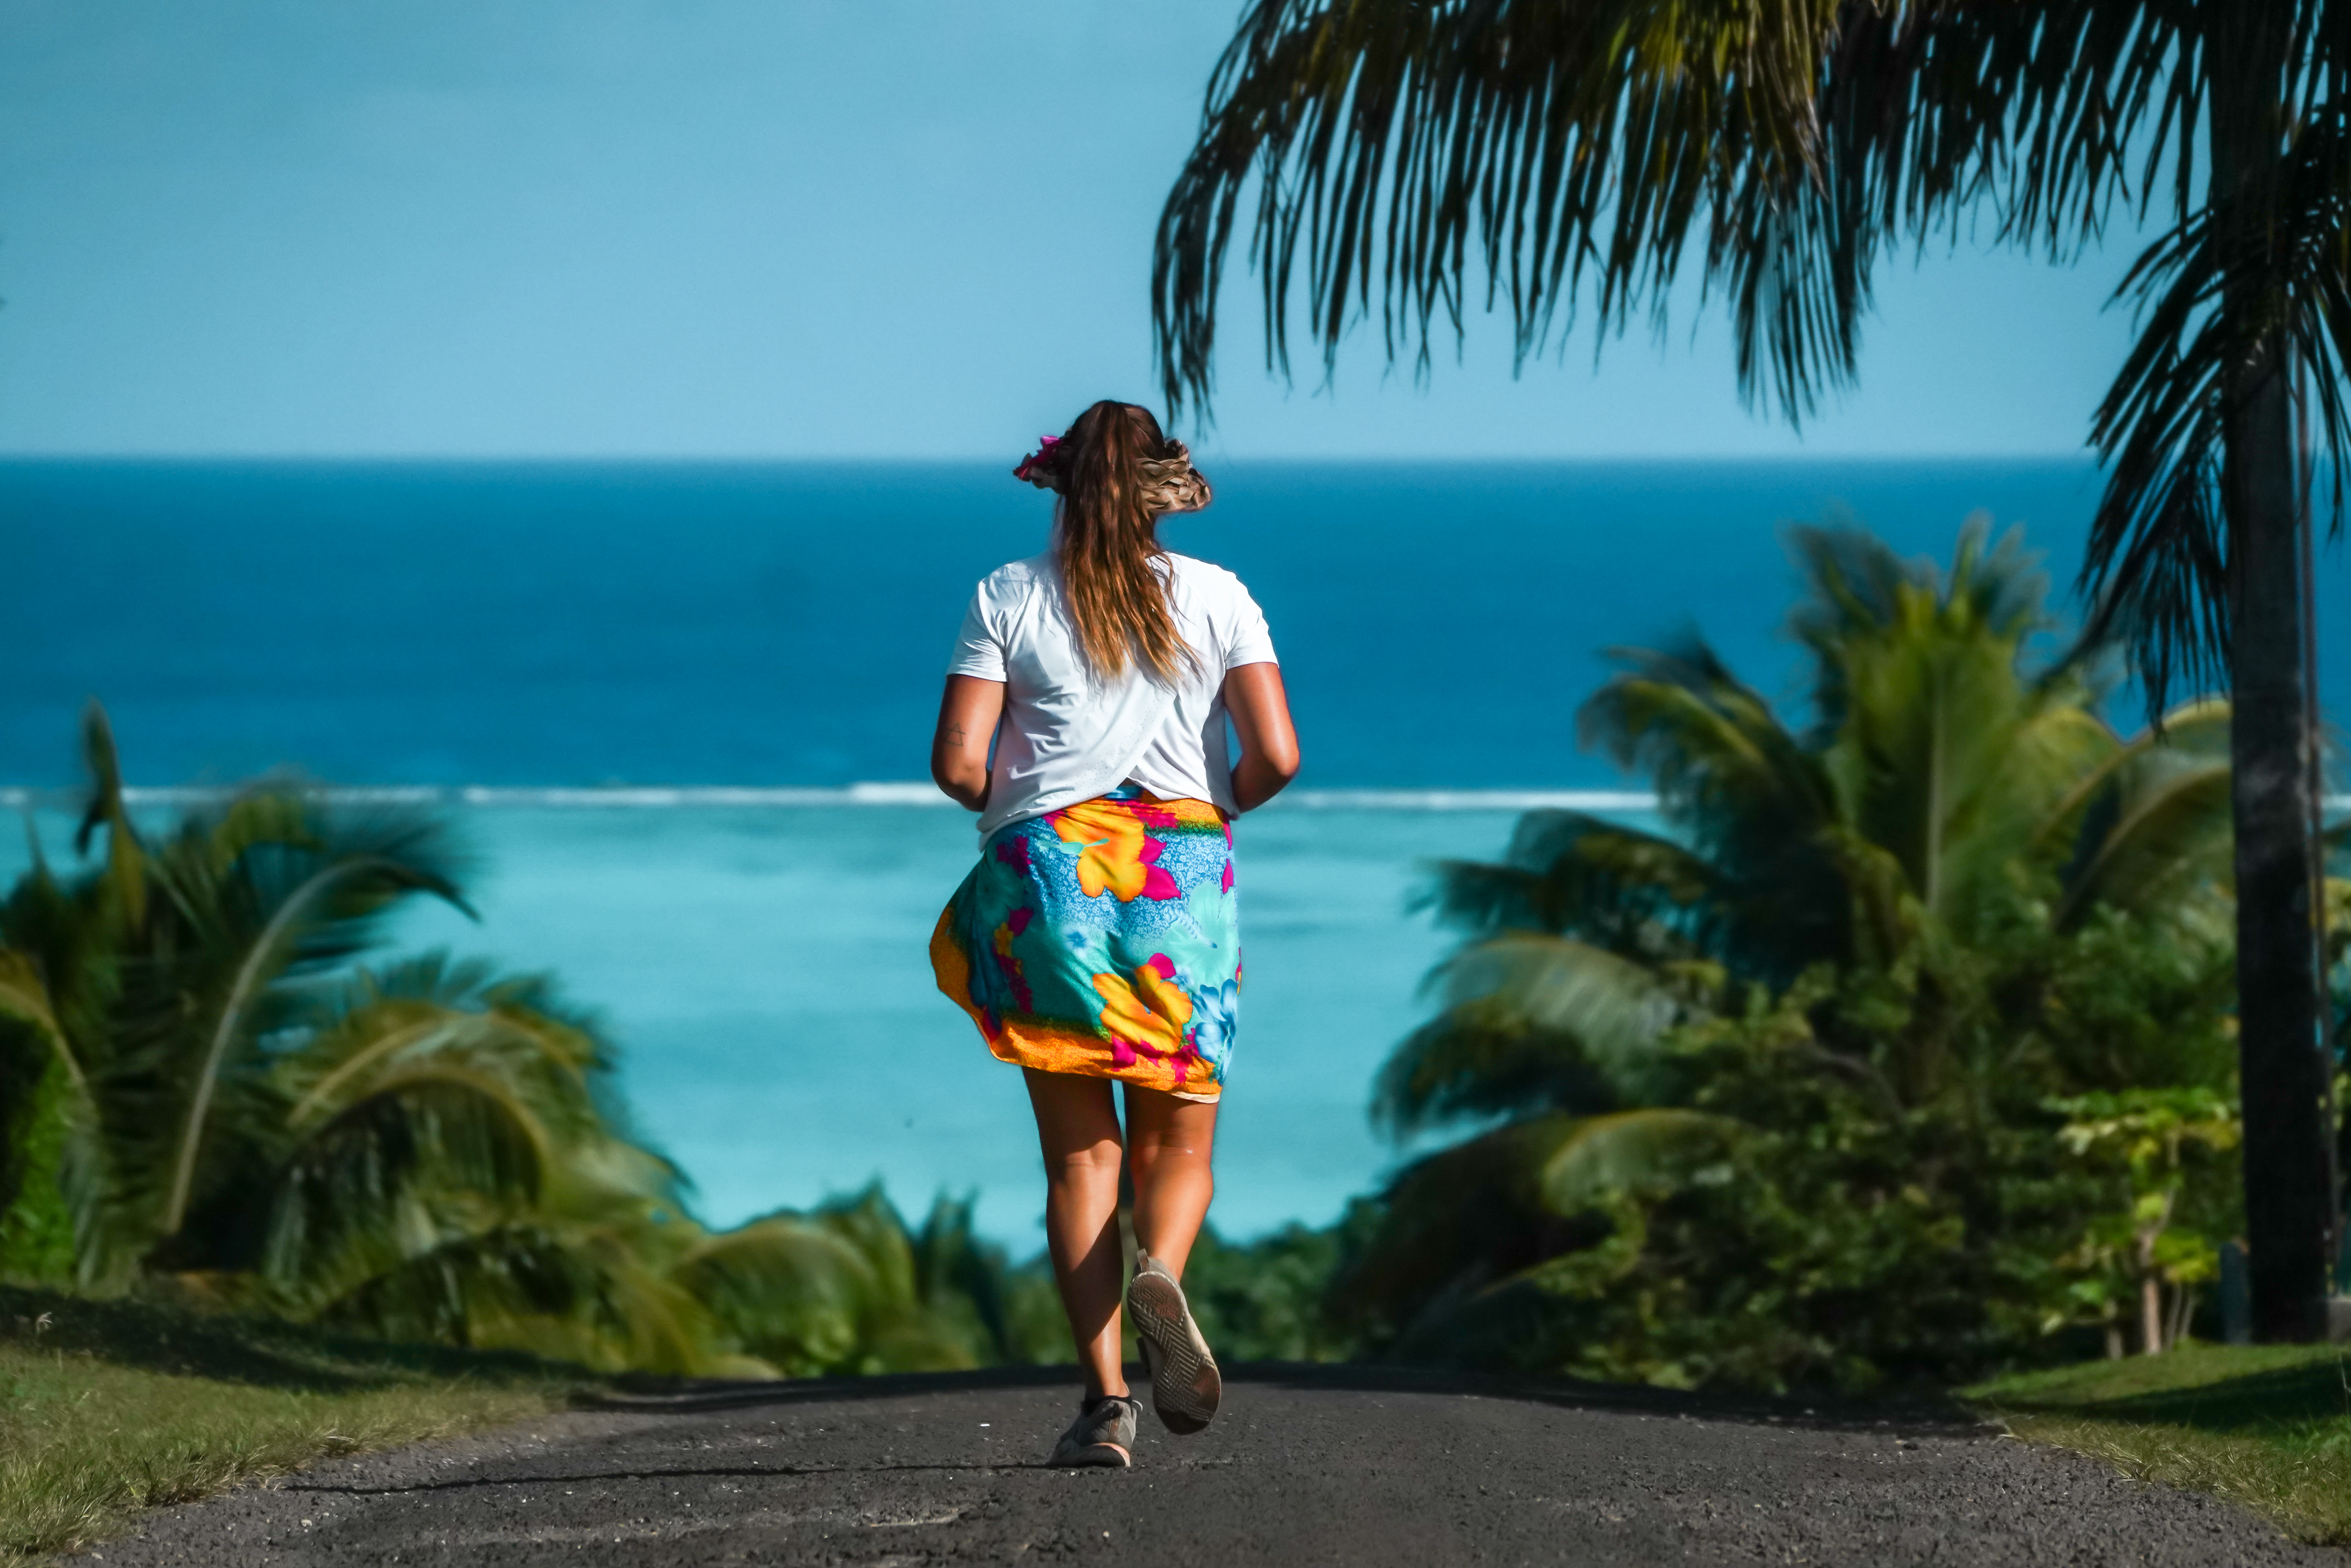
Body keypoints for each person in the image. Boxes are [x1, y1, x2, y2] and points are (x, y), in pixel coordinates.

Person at [927, 400, 1299, 1468]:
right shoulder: (1220, 595)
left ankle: (1105, 1408)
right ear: (1160, 494)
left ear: (1058, 488)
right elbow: (1276, 754)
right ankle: (1166, 1276)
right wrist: (1206, 805)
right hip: (1181, 873)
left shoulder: (1008, 593)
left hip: (1051, 875)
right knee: (1177, 1141)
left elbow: (958, 761)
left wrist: (1017, 810)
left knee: (1079, 1159)